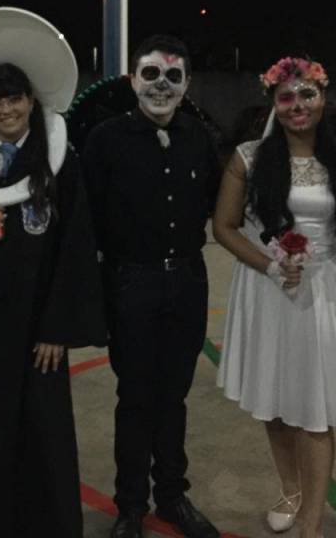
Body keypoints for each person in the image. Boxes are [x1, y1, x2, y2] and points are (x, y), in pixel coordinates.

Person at [0, 9, 105, 538]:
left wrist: (58, 326)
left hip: (38, 324)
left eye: (14, 98)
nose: (6, 109)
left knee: (43, 431)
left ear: (31, 101)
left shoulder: (60, 160)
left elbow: (76, 246)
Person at [213, 57, 336, 537]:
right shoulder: (248, 158)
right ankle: (290, 489)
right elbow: (224, 227)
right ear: (273, 104)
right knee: (276, 399)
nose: (296, 105)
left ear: (324, 99)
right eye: (286, 97)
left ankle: (312, 520)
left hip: (323, 291)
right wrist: (269, 265)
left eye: (307, 95)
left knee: (316, 409)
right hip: (267, 290)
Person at [83, 34, 221, 538]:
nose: (161, 85)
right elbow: (87, 219)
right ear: (132, 80)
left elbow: (220, 202)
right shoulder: (105, 140)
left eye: (173, 76)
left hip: (187, 281)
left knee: (174, 396)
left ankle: (172, 496)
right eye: (151, 74)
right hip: (130, 283)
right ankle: (131, 506)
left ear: (187, 85)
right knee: (136, 397)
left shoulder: (199, 137)